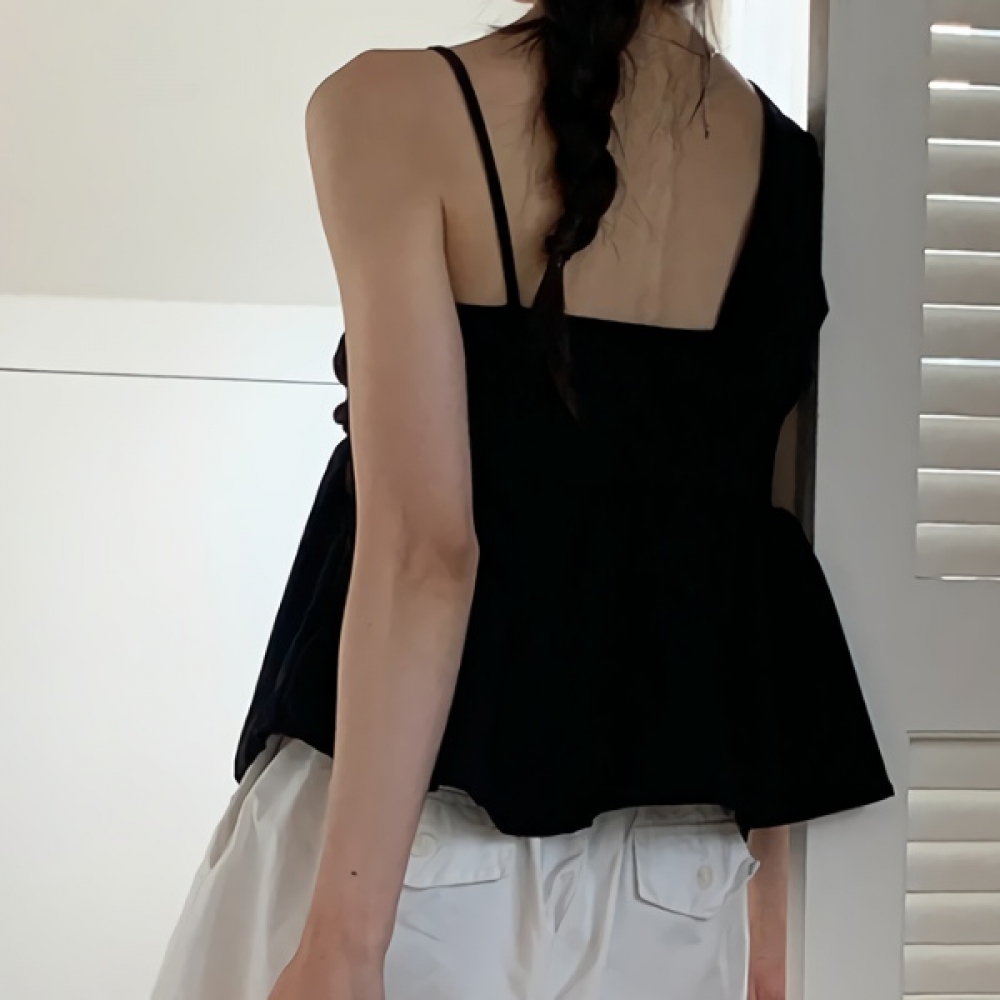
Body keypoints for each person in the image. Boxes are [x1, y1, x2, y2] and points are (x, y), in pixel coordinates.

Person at [152, 2, 895, 998]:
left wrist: (344, 946)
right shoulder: (795, 171)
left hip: (402, 853)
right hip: (680, 885)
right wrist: (769, 951)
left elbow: (426, 553)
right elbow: (770, 581)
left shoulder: (390, 106)